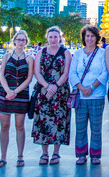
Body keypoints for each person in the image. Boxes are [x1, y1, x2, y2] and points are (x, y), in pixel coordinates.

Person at [0, 29, 35, 168]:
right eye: (19, 39)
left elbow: (29, 78)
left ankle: (20, 156)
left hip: (21, 94)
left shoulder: (29, 58)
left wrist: (15, 92)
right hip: (5, 93)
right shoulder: (6, 56)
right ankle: (3, 157)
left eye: (23, 40)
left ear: (26, 42)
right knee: (4, 126)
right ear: (14, 41)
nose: (21, 42)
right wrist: (8, 91)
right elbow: (1, 75)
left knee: (20, 126)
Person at [69, 25, 108, 165]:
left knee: (96, 127)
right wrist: (81, 87)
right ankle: (81, 154)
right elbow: (72, 73)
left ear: (96, 37)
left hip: (96, 95)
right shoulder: (78, 54)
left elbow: (105, 73)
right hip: (81, 95)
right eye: (87, 36)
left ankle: (95, 154)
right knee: (80, 126)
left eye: (92, 36)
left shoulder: (102, 53)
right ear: (84, 38)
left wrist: (91, 87)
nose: (90, 38)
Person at [32, 26, 72, 165]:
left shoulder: (65, 53)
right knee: (43, 121)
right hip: (44, 92)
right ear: (47, 38)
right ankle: (44, 153)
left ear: (60, 38)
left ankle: (56, 152)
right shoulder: (41, 53)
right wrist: (47, 86)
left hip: (60, 92)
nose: (53, 39)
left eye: (56, 37)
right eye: (51, 37)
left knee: (59, 122)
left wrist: (55, 86)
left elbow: (66, 72)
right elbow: (37, 72)